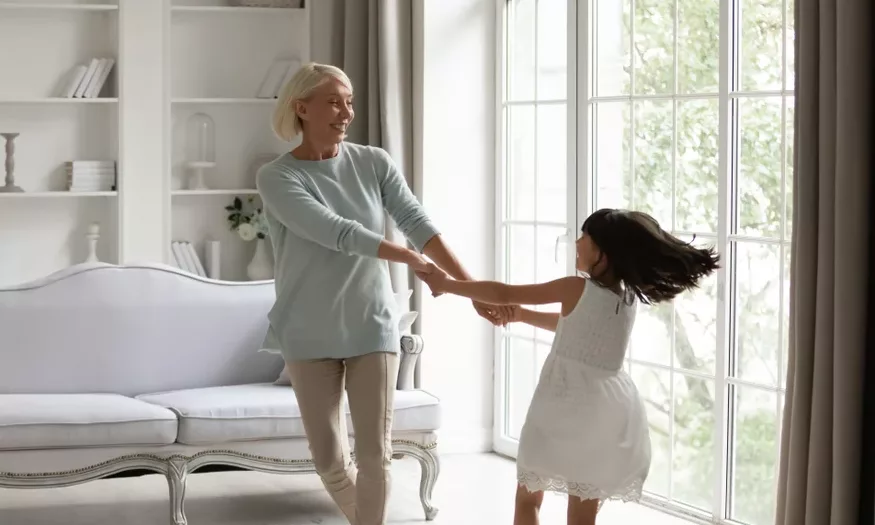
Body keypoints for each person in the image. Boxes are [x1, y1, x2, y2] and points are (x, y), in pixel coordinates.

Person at [255, 62, 510, 525]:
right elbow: (333, 231)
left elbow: (417, 222)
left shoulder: (373, 162)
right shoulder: (277, 177)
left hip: (371, 323)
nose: (346, 112)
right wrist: (410, 260)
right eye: (334, 101)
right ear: (302, 108)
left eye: (349, 101)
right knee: (330, 460)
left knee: (376, 456)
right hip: (306, 331)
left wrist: (468, 287)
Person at [417, 208, 720, 525]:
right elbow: (577, 327)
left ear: (602, 252)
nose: (577, 241)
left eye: (585, 236)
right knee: (582, 514)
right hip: (607, 411)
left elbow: (502, 292)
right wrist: (520, 315)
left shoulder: (576, 288)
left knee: (528, 499)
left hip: (562, 403)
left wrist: (447, 284)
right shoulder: (627, 297)